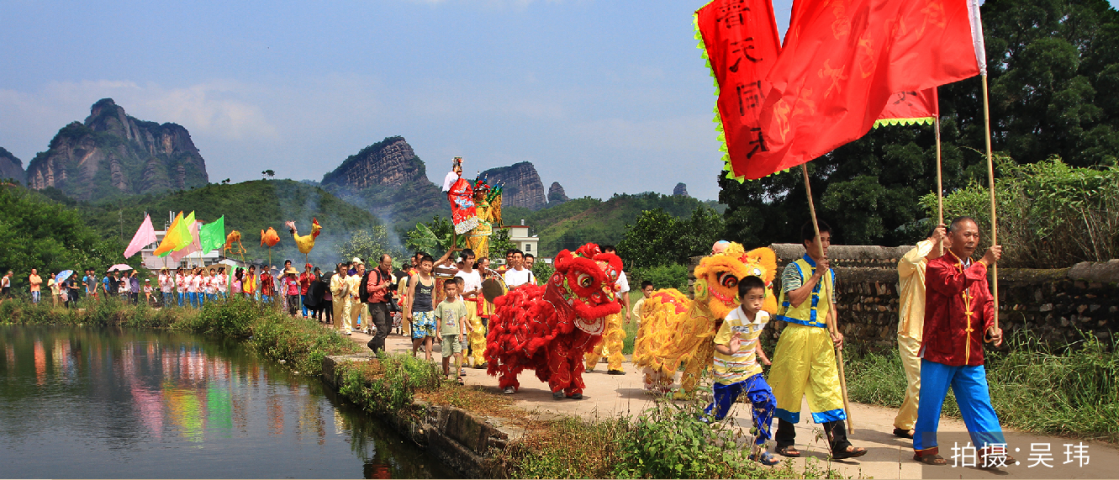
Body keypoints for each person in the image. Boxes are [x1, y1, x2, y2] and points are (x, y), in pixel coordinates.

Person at [913, 216, 1014, 467]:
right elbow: (953, 285)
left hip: (971, 349)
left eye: (976, 235)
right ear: (951, 237)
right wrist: (984, 262)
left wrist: (991, 326)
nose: (972, 240)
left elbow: (986, 301)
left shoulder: (978, 269)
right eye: (966, 235)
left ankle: (992, 451)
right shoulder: (936, 266)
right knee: (931, 402)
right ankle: (924, 447)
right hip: (941, 348)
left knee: (980, 402)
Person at [769, 221, 866, 460]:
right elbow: (794, 299)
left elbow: (829, 306)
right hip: (797, 334)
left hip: (821, 337)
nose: (825, 245)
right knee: (791, 388)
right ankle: (784, 441)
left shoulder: (830, 272)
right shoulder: (795, 268)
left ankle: (839, 444)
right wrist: (816, 275)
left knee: (829, 388)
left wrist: (836, 331)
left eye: (828, 240)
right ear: (807, 242)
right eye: (821, 240)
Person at [702, 276, 779, 466]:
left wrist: (759, 353)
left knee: (766, 400)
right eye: (752, 298)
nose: (757, 302)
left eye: (760, 297)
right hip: (727, 372)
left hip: (750, 369)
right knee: (718, 413)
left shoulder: (763, 316)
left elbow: (754, 334)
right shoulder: (732, 319)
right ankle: (691, 427)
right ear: (741, 298)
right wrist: (730, 350)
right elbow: (718, 343)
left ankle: (759, 448)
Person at [892, 224, 947, 439]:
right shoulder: (913, 267)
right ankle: (922, 435)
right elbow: (906, 261)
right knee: (921, 383)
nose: (944, 251)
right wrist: (933, 240)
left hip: (934, 336)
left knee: (920, 383)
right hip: (912, 332)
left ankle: (904, 424)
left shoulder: (944, 270)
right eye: (942, 245)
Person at [585, 245, 629, 375]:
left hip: (615, 307)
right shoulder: (595, 271)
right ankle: (590, 364)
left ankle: (615, 366)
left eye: (613, 255)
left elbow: (625, 292)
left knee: (616, 335)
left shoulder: (620, 273)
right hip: (600, 307)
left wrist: (627, 311)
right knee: (597, 335)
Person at [455, 250, 486, 368]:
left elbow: (478, 291)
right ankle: (462, 359)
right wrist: (470, 293)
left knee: (478, 331)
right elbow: (458, 293)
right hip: (463, 303)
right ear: (463, 260)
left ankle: (479, 360)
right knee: (463, 332)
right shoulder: (459, 275)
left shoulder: (476, 274)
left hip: (475, 303)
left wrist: (482, 290)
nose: (471, 260)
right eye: (469, 258)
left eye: (473, 258)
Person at [435, 281, 469, 383]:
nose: (451, 292)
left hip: (456, 333)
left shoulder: (459, 304)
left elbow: (461, 319)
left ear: (456, 290)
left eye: (453, 289)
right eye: (448, 289)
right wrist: (437, 333)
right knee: (446, 355)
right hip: (445, 334)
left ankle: (458, 375)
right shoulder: (442, 305)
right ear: (445, 290)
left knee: (458, 354)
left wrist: (461, 333)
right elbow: (439, 319)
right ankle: (445, 373)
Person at [406, 254, 437, 360]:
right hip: (418, 310)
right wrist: (409, 312)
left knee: (430, 337)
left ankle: (428, 360)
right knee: (420, 336)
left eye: (429, 265)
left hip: (430, 312)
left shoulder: (433, 280)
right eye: (425, 265)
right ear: (420, 265)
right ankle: (413, 353)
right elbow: (410, 295)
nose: (427, 267)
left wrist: (433, 311)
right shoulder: (415, 277)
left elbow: (433, 297)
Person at [364, 254, 395, 351]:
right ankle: (380, 353)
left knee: (388, 328)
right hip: (375, 303)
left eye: (389, 265)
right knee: (382, 330)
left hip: (384, 303)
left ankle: (373, 343)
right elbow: (369, 288)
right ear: (380, 263)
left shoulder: (388, 274)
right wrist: (382, 286)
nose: (388, 267)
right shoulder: (374, 273)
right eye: (386, 264)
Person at [331, 263, 349, 332]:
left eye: (345, 269)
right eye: (343, 269)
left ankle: (348, 329)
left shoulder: (349, 278)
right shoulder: (334, 277)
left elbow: (351, 288)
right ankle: (337, 329)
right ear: (340, 270)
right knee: (337, 314)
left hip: (346, 298)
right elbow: (332, 288)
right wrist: (338, 288)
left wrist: (346, 290)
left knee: (347, 313)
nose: (344, 271)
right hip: (337, 298)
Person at [397, 263, 413, 336]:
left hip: (415, 298)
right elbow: (399, 291)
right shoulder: (404, 279)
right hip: (406, 298)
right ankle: (405, 331)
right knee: (406, 315)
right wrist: (401, 298)